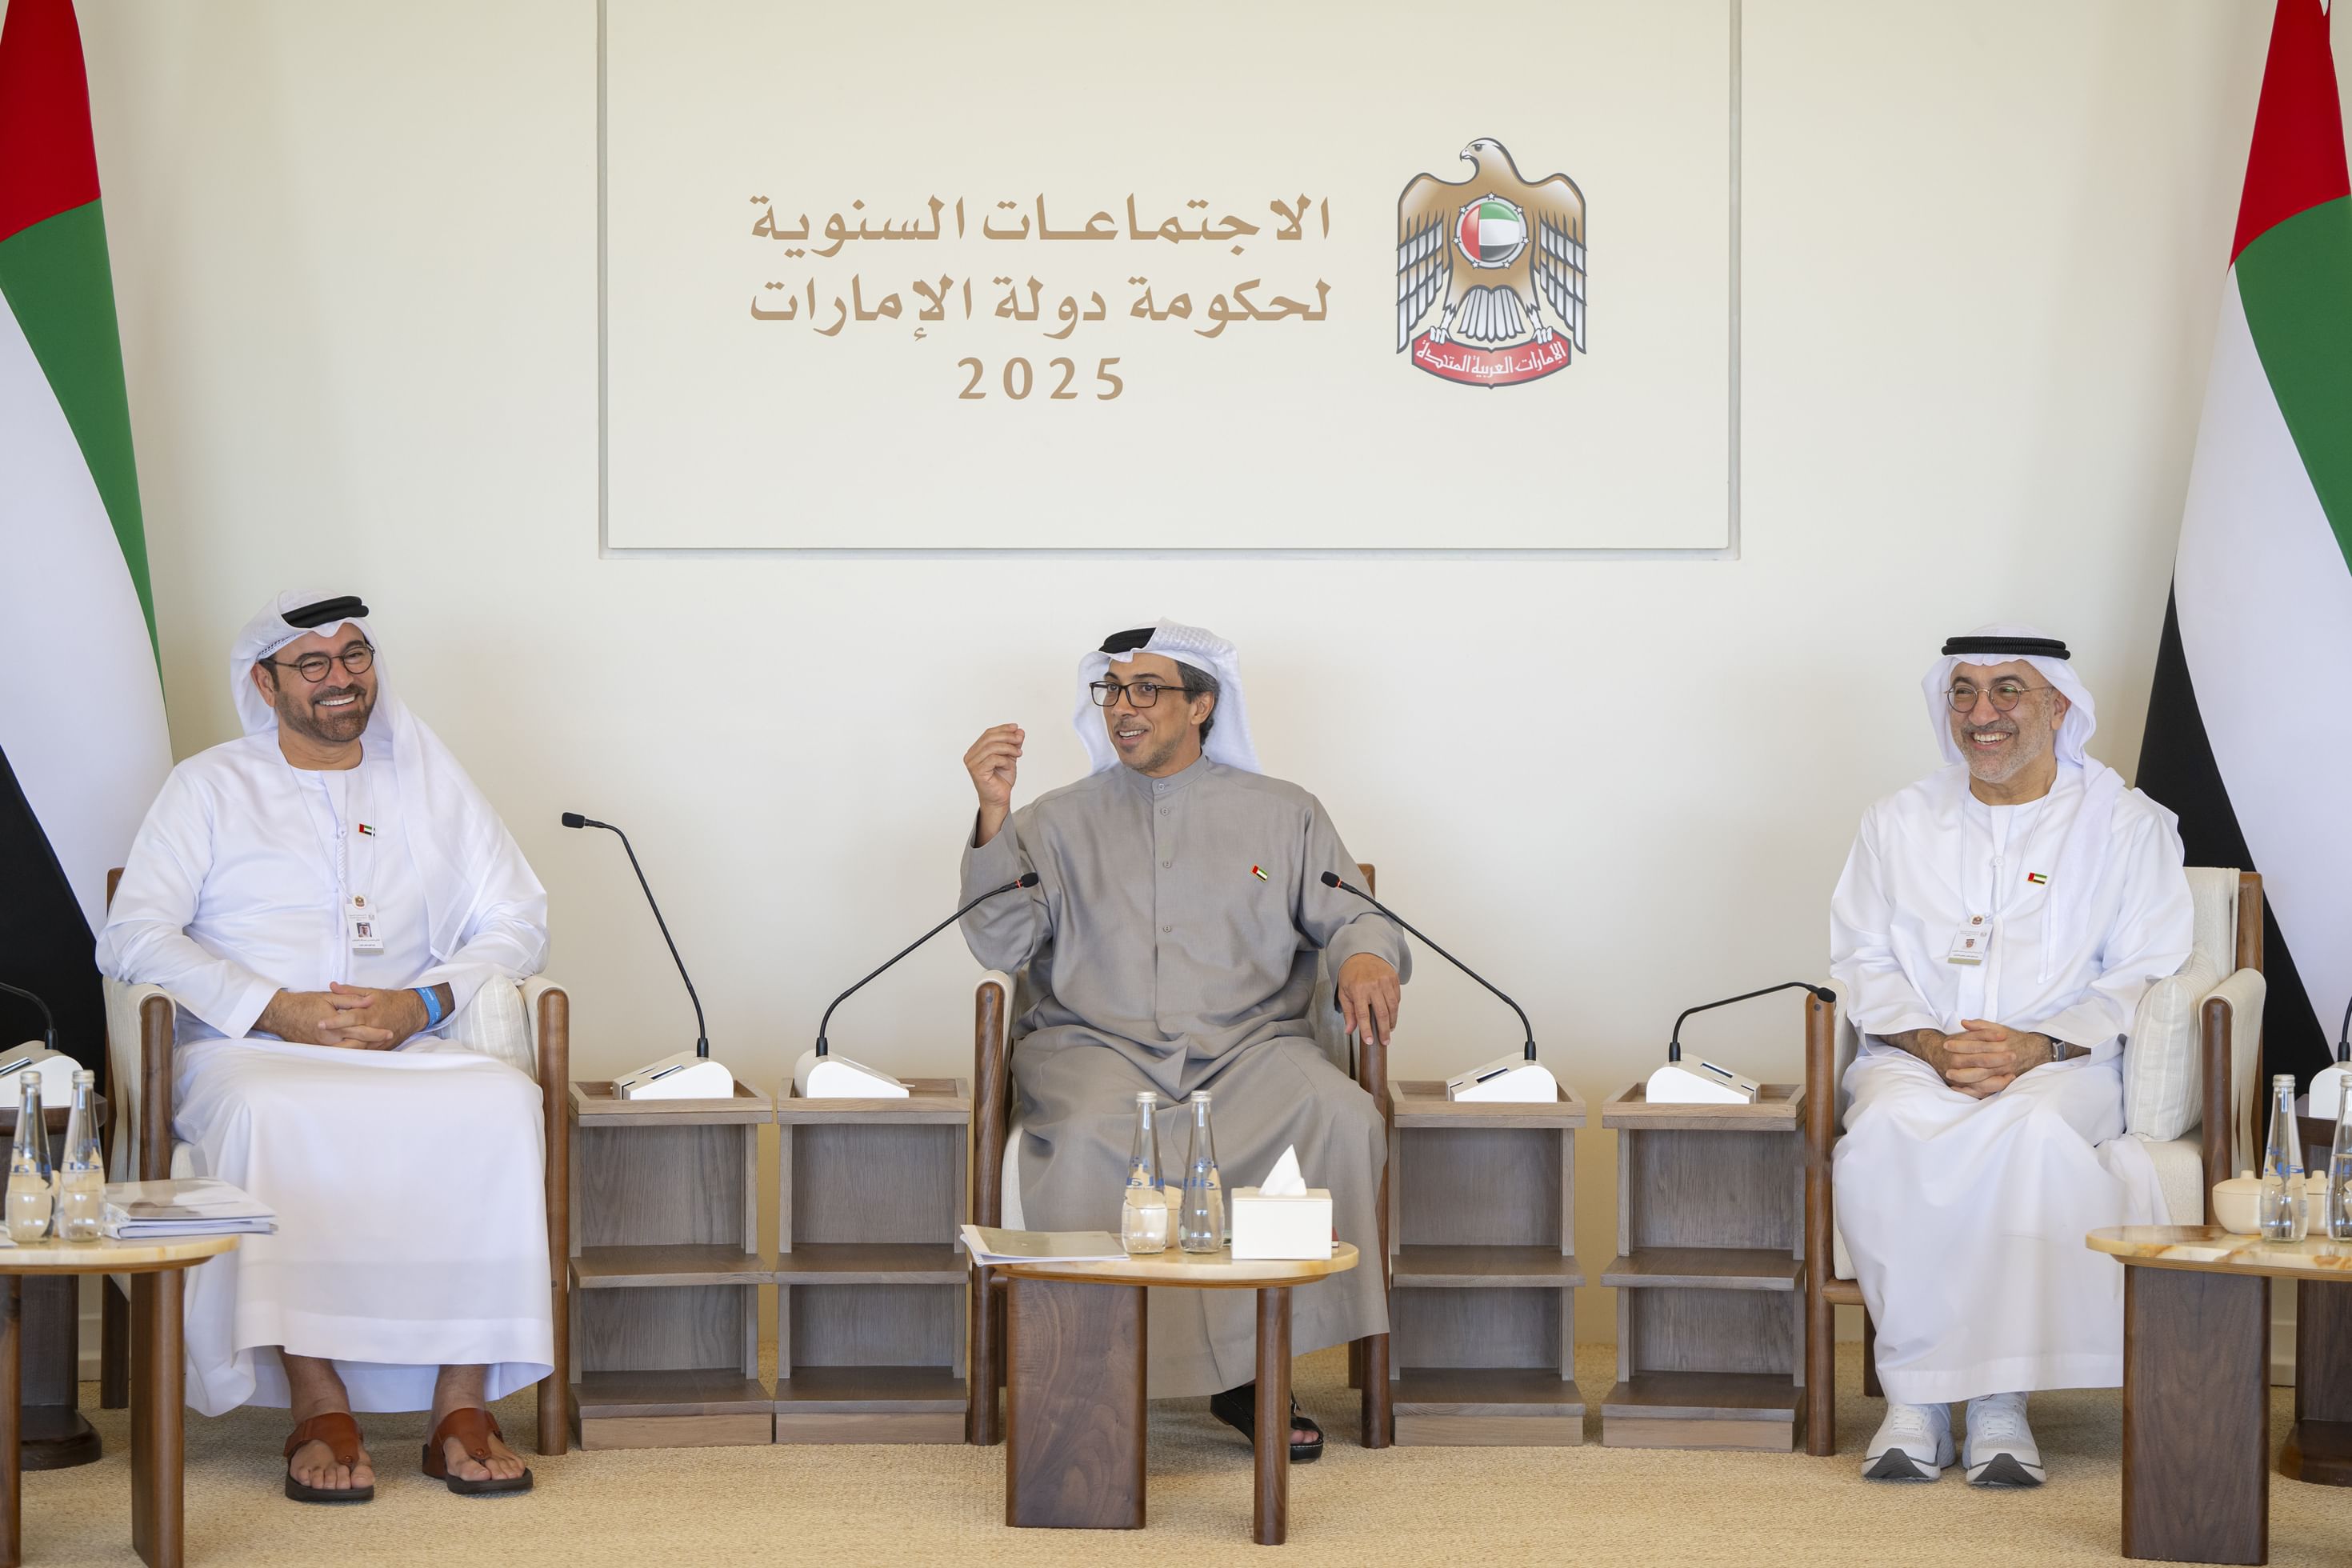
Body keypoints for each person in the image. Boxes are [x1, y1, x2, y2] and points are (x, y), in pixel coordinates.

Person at [98, 592, 551, 1502]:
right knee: (276, 1113)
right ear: (264, 683)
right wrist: (273, 1008)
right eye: (314, 663)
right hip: (252, 1049)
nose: (341, 678)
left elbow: (520, 919)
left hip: (405, 1041)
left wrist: (424, 1001)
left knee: (501, 1102)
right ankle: (317, 1398)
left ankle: (462, 1403)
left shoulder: (427, 779)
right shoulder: (209, 784)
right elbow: (134, 933)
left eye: (355, 656)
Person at [958, 622, 1406, 1459]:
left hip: (1249, 1052)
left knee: (1340, 1116)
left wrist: (1368, 957)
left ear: (1202, 705)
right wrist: (993, 816)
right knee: (1090, 1135)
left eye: (1146, 691)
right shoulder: (1054, 824)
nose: (1123, 709)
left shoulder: (1283, 818)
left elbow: (1351, 912)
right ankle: (1091, 1368)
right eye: (1112, 691)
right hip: (1095, 1049)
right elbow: (1000, 944)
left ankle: (1255, 1372)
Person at [1830, 626, 2193, 1486]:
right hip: (1920, 1052)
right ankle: (1914, 1401)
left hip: (2065, 1062)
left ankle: (2000, 1404)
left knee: (2031, 1135)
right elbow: (1861, 959)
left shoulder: (2127, 825)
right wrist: (1930, 1042)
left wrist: (2037, 1044)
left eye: (2007, 691)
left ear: (2059, 704)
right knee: (1887, 1126)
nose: (1981, 713)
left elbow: (2146, 969)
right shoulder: (1898, 821)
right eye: (1964, 691)